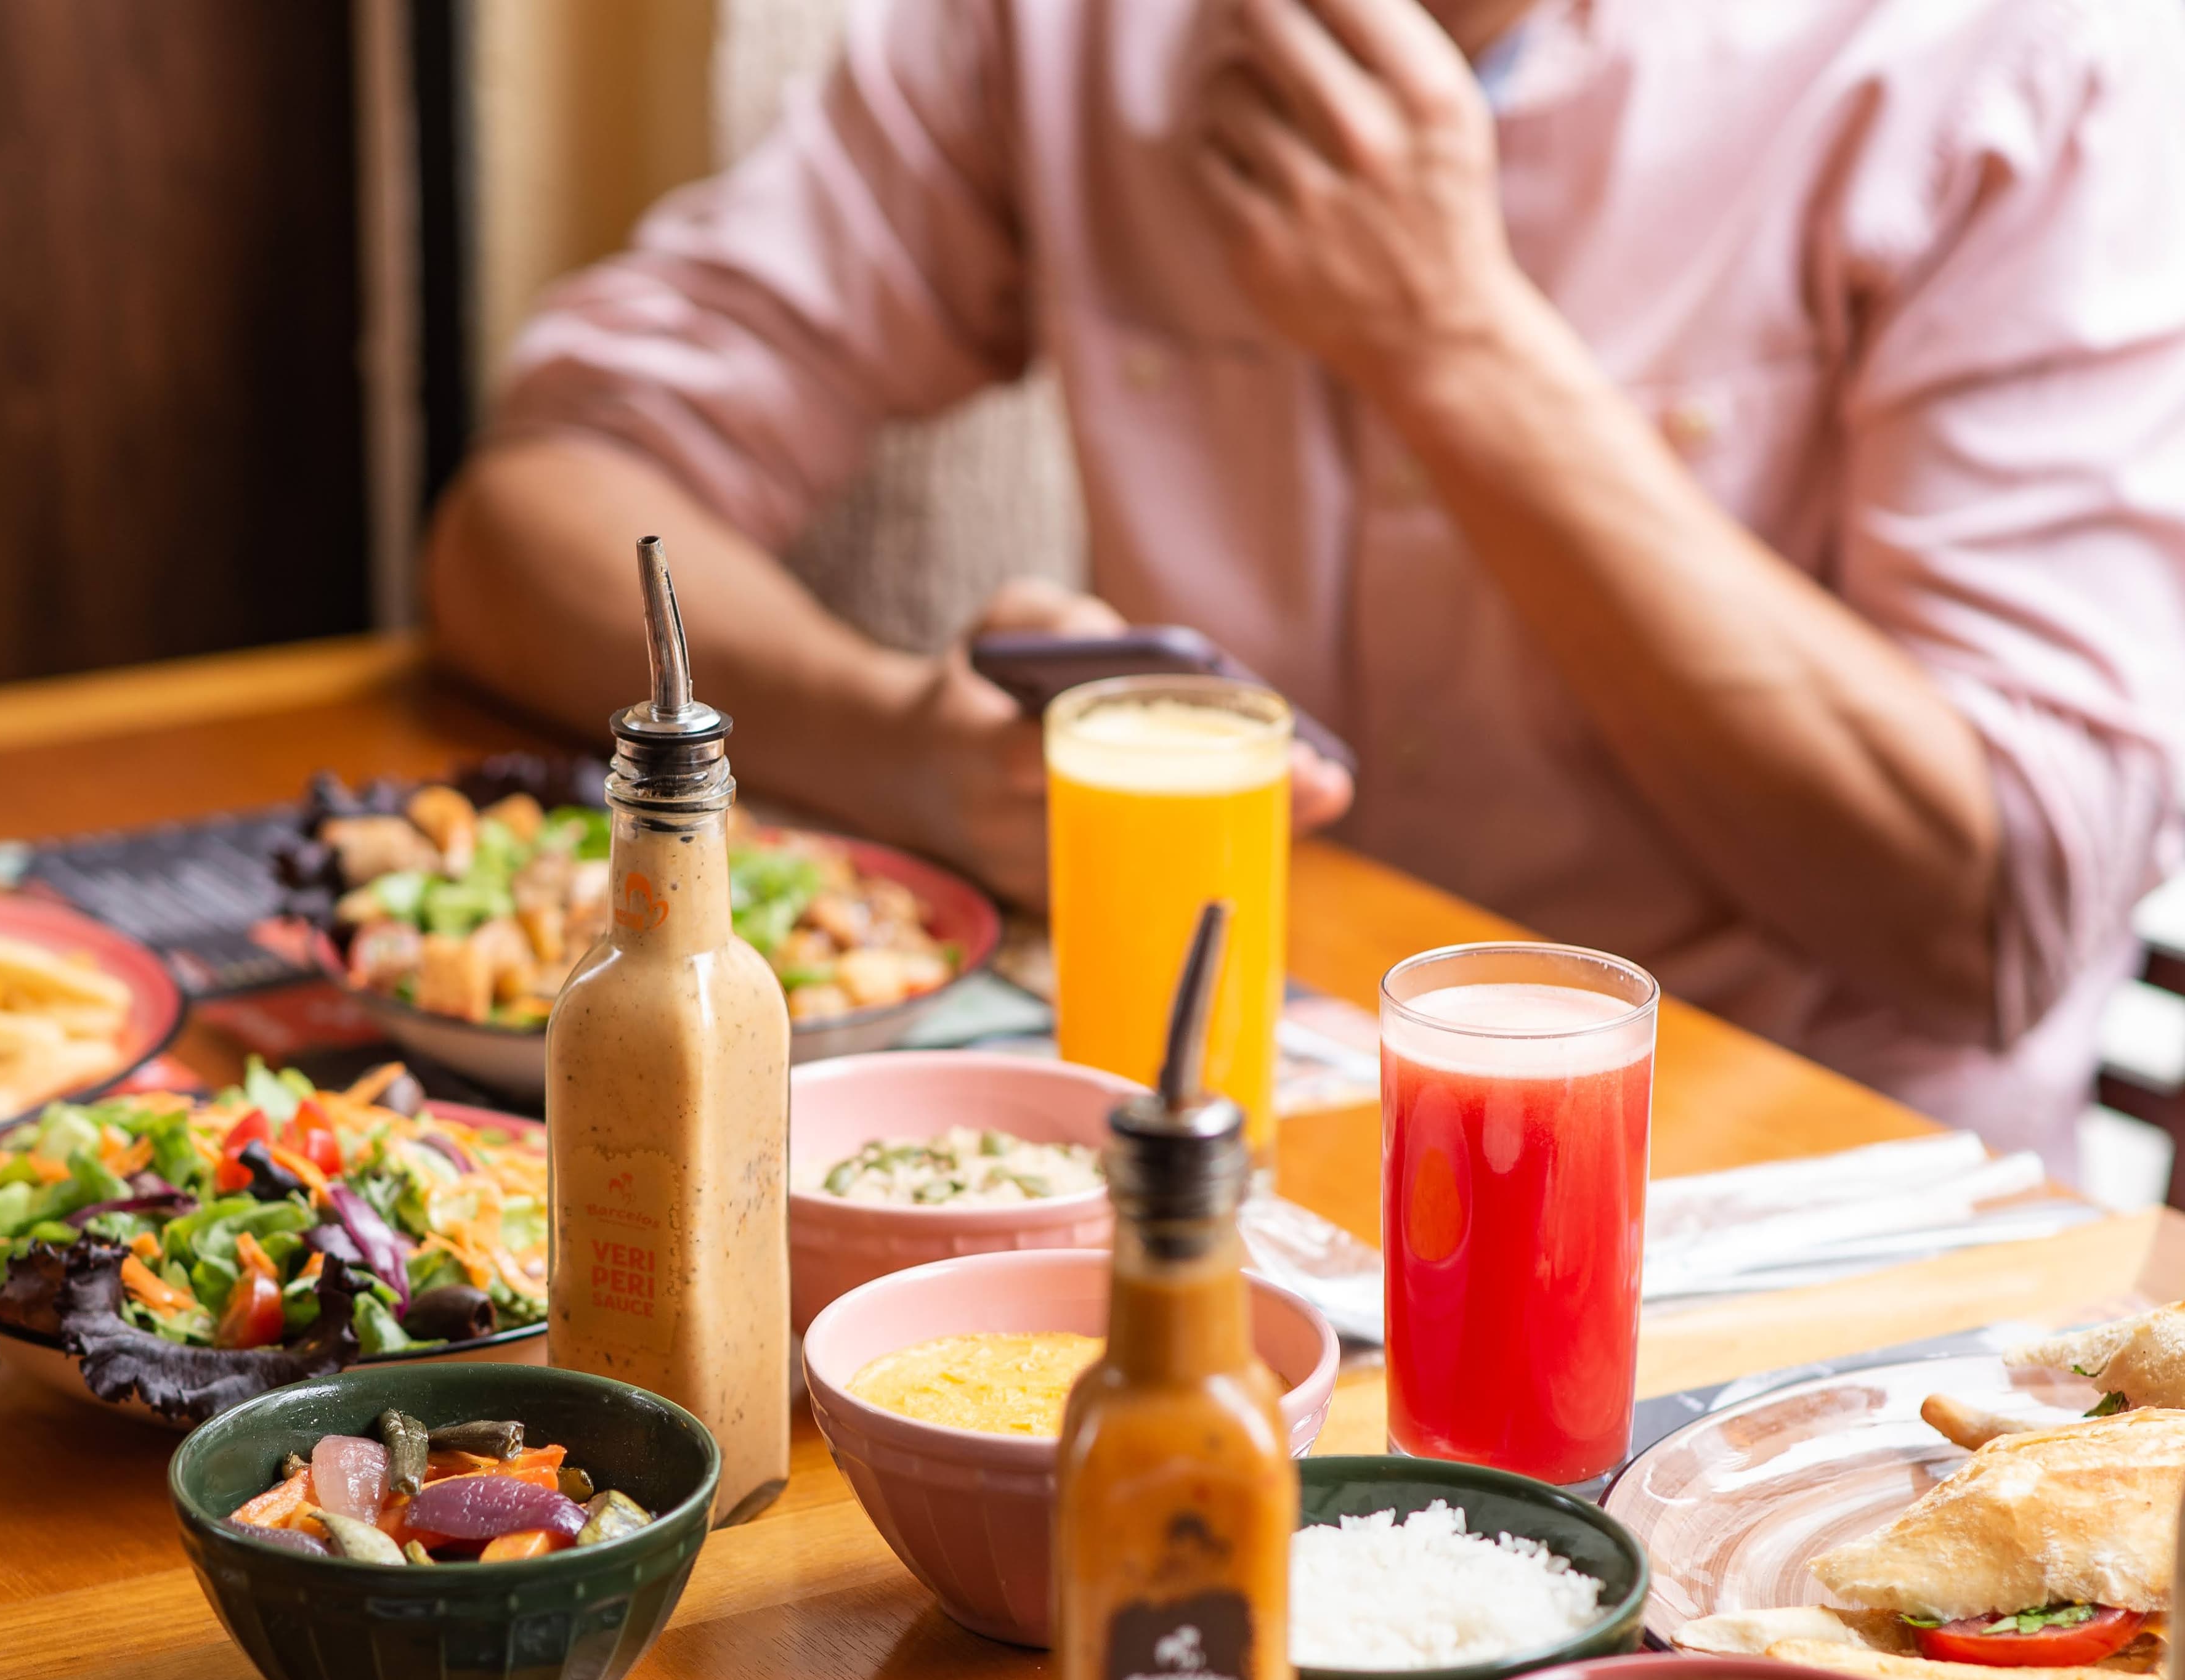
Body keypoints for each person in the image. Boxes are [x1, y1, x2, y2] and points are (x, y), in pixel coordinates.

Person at [428, 0, 2185, 1164]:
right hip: (1221, 1141)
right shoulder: (1070, 34)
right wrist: (904, 742)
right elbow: (530, 521)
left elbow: (2007, 905)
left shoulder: (2019, 59)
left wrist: (1459, 345)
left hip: (1815, 1222)